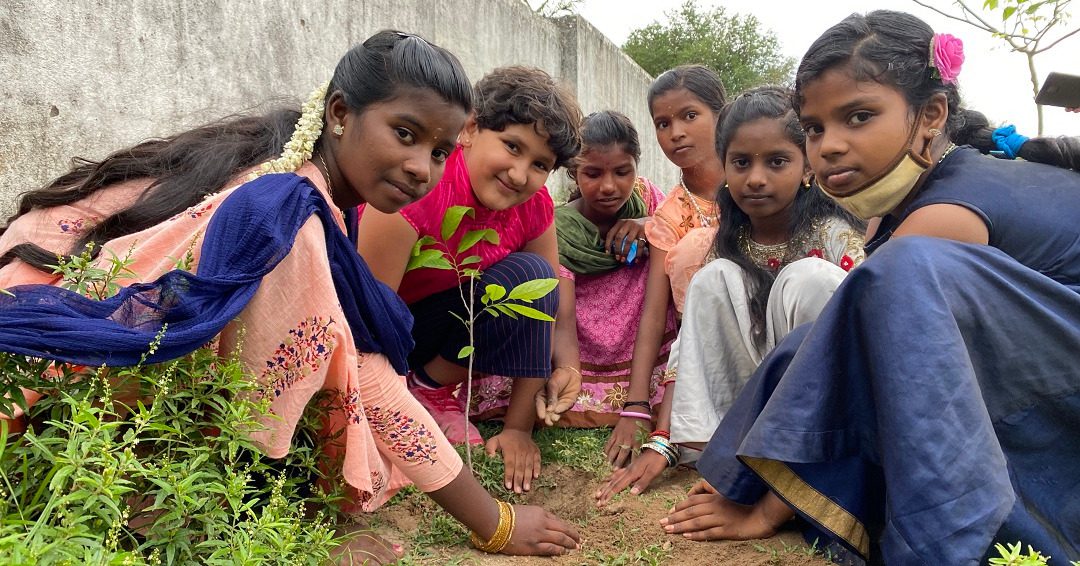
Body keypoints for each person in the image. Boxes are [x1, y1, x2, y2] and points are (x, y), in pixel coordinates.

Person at [0, 31, 580, 562]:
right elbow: (364, 372)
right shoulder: (287, 215)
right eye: (404, 133)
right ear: (339, 114)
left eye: (436, 151)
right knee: (294, 360)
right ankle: (218, 513)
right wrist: (494, 521)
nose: (419, 167)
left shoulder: (310, 181)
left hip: (61, 317)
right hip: (41, 362)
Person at [662, 11, 1080, 565]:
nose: (829, 146)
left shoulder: (947, 213)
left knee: (890, 285)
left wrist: (768, 507)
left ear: (931, 114)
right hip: (1042, 376)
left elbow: (854, 357)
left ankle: (949, 536)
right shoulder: (911, 203)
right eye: (813, 128)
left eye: (858, 117)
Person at [596, 86, 865, 505]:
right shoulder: (729, 240)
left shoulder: (834, 234)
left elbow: (860, 337)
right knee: (712, 278)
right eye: (741, 163)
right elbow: (692, 343)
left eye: (776, 162)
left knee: (810, 278)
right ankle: (721, 451)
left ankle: (799, 460)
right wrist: (663, 440)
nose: (756, 178)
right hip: (753, 409)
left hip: (825, 410)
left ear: (808, 167)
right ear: (725, 168)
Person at [354, 66, 583, 494]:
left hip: (446, 334)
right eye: (512, 147)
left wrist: (519, 428)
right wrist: (385, 399)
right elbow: (366, 312)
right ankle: (397, 394)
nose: (519, 174)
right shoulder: (421, 187)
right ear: (472, 128)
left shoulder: (533, 206)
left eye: (539, 165)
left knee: (531, 276)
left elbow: (544, 298)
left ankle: (431, 389)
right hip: (382, 330)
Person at [471, 110, 676, 429]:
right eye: (593, 174)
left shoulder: (649, 200)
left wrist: (649, 226)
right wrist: (572, 370)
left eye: (623, 172)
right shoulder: (561, 227)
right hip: (583, 336)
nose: (609, 186)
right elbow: (562, 317)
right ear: (574, 173)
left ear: (636, 165)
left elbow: (680, 234)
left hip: (641, 331)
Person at [603, 65, 727, 468]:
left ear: (720, 115)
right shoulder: (670, 215)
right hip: (705, 351)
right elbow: (656, 312)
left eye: (690, 116)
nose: (675, 132)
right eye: (663, 122)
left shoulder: (757, 184)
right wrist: (637, 405)